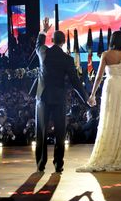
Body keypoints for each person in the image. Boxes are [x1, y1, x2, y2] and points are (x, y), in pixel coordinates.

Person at [30, 17, 89, 173]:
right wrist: (86, 99)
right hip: (58, 98)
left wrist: (43, 30)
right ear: (63, 42)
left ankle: (40, 164)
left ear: (53, 40)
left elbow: (38, 44)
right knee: (60, 132)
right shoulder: (67, 59)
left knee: (41, 131)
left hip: (42, 97)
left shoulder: (43, 52)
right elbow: (76, 82)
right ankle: (58, 165)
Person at [76, 30, 121, 172]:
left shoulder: (106, 55)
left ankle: (109, 152)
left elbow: (98, 77)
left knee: (110, 119)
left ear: (112, 40)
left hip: (111, 87)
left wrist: (92, 94)